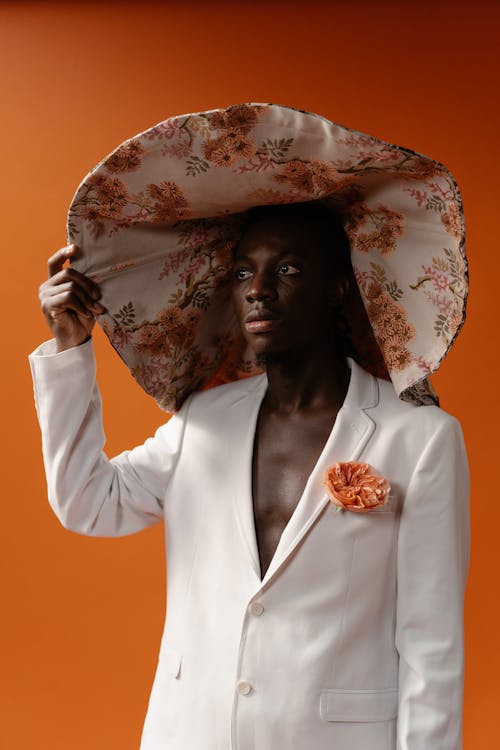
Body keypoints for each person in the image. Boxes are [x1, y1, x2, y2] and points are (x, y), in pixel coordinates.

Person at [30, 104, 470, 750]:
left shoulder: (420, 441)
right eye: (243, 273)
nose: (258, 289)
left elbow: (432, 647)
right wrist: (70, 351)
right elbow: (85, 502)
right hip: (187, 734)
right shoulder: (202, 421)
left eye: (287, 270)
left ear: (338, 289)